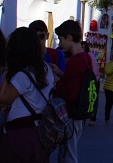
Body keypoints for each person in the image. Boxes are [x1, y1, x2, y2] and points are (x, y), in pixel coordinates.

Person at [0, 27, 54, 162]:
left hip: (21, 133)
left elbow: (3, 99)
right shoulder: (46, 69)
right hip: (42, 132)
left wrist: (8, 73)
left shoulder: (22, 76)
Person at [55, 20, 91, 163]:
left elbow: (70, 92)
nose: (60, 42)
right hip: (78, 115)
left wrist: (58, 85)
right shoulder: (85, 57)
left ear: (69, 37)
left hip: (71, 114)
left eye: (61, 39)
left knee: (68, 156)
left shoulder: (75, 61)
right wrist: (60, 73)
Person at [80, 41, 101, 127]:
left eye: (84, 47)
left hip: (93, 79)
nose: (82, 49)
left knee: (92, 99)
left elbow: (93, 69)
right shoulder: (82, 56)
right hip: (87, 79)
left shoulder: (89, 55)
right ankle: (83, 118)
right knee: (84, 99)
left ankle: (92, 119)